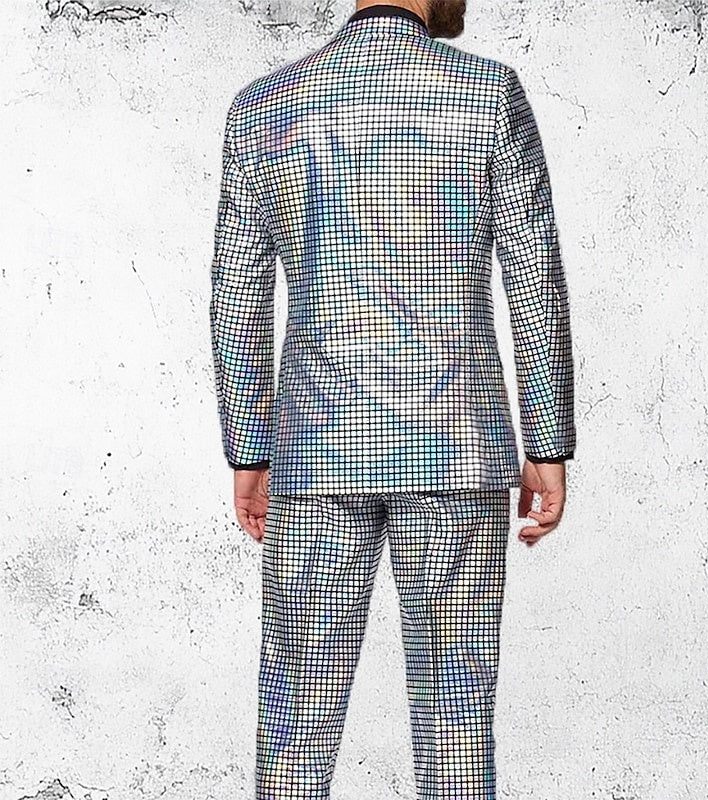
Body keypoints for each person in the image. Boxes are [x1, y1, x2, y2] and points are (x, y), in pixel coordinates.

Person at [208, 1, 576, 797]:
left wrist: (250, 449)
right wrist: (547, 441)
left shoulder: (265, 107)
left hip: (315, 450)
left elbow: (236, 299)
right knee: (456, 719)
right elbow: (535, 279)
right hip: (456, 449)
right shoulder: (488, 93)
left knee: (294, 727)